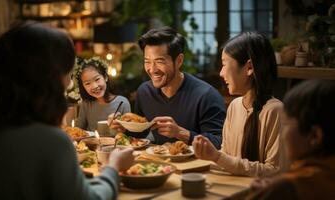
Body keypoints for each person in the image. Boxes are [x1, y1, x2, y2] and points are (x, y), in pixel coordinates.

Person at [0, 21, 134, 200]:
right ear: (49, 77)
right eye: (67, 72)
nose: (68, 83)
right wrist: (113, 167)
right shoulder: (51, 141)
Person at [110, 26, 226, 148]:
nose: (152, 69)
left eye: (159, 61)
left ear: (179, 60)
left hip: (199, 165)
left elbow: (220, 142)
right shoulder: (145, 92)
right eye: (147, 61)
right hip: (160, 164)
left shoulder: (206, 95)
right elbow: (141, 134)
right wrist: (124, 127)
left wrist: (180, 133)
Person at [193, 32, 282, 177]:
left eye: (224, 64)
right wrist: (207, 156)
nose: (221, 73)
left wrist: (217, 157)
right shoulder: (235, 106)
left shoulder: (275, 111)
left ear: (249, 68)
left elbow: (274, 171)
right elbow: (226, 156)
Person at [247, 80, 335, 199]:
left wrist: (272, 192)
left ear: (315, 136)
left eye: (286, 124)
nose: (282, 134)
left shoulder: (289, 188)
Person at [75, 57, 131, 131]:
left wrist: (122, 126)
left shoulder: (122, 102)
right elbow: (79, 131)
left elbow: (129, 132)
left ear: (105, 77)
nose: (94, 86)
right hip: (91, 142)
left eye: (97, 79)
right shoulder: (86, 104)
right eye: (87, 83)